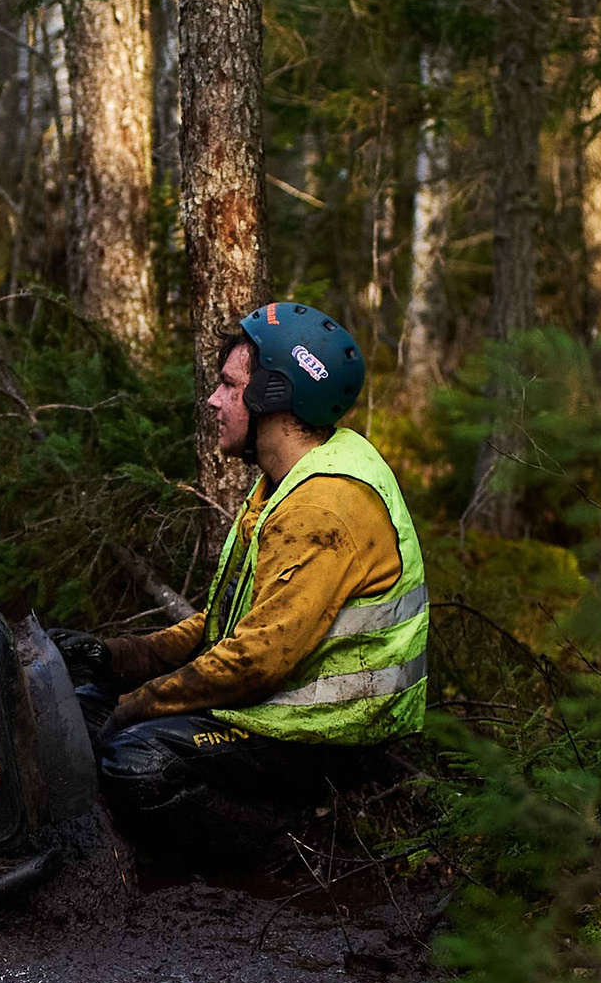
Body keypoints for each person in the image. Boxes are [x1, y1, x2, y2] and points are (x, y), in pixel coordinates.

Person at [54, 304, 426, 863]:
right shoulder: (285, 484)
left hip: (330, 736)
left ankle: (293, 849)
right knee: (82, 707)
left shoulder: (325, 506)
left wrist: (140, 703)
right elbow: (226, 627)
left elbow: (254, 661)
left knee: (136, 762)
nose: (213, 400)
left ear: (274, 395)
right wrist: (117, 658)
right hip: (278, 711)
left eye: (230, 385)